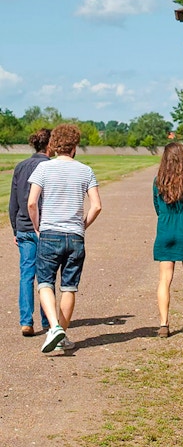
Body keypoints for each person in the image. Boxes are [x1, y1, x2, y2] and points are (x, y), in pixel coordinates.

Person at [27, 124, 102, 353]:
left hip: (50, 232)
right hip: (75, 236)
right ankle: (61, 336)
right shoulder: (85, 170)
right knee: (69, 287)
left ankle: (54, 327)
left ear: (53, 144)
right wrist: (82, 225)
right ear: (75, 145)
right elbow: (97, 206)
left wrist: (38, 226)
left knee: (45, 283)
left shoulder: (43, 168)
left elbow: (32, 202)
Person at [153, 142, 183, 337]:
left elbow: (157, 207)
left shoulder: (158, 181)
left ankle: (164, 323)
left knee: (165, 279)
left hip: (166, 227)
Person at [9, 128, 52, 337]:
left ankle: (26, 321)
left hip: (23, 226)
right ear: (50, 145)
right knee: (46, 276)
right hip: (43, 227)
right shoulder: (50, 167)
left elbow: (13, 203)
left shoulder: (21, 166)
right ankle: (47, 319)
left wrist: (15, 229)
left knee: (27, 274)